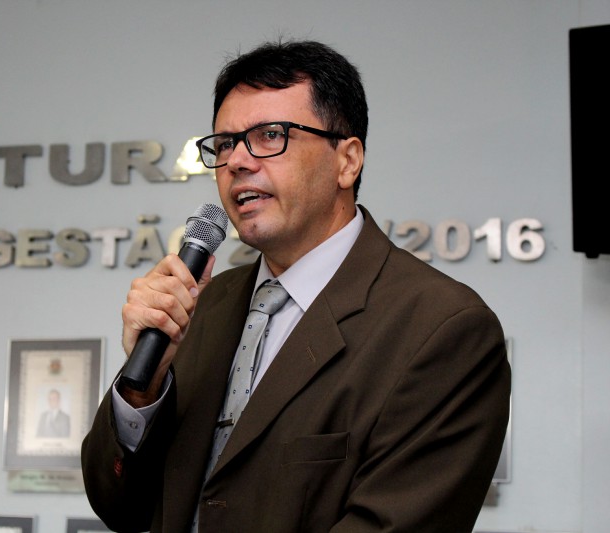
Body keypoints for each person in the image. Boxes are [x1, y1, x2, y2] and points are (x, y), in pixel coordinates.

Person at [81, 39, 511, 533]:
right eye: (226, 144)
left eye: (270, 135)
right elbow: (118, 505)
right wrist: (144, 390)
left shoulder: (443, 327)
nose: (238, 161)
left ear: (347, 161)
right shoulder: (201, 304)